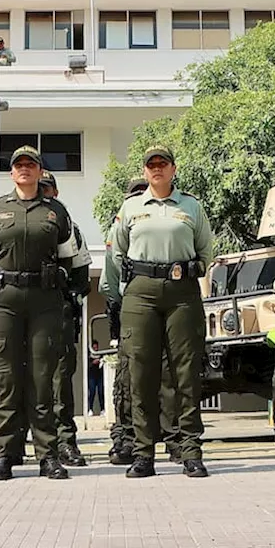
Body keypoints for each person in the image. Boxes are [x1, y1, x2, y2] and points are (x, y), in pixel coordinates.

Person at [0, 145, 77, 481]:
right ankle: (4, 454)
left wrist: (60, 281)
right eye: (18, 165)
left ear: (38, 171)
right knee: (7, 379)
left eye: (30, 165)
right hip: (4, 300)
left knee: (40, 378)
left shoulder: (56, 212)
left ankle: (47, 455)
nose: (24, 170)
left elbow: (68, 257)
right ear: (11, 172)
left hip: (44, 300)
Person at [111, 145, 214, 478]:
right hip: (140, 292)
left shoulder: (191, 206)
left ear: (173, 169)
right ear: (144, 172)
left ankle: (190, 451)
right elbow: (118, 253)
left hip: (182, 291)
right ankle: (143, 454)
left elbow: (205, 251)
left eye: (163, 164)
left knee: (185, 373)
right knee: (140, 374)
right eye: (151, 165)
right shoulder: (130, 208)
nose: (157, 169)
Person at [103, 177, 182, 465]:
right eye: (136, 195)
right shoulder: (122, 225)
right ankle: (127, 439)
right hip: (132, 309)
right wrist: (118, 310)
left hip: (167, 304)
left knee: (170, 375)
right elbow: (111, 276)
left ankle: (175, 440)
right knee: (129, 378)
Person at [38, 170, 92, 467]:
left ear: (55, 193)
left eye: (48, 189)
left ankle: (65, 441)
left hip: (58, 310)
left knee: (60, 379)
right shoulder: (21, 222)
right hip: (27, 310)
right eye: (40, 189)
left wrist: (71, 296)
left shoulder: (70, 226)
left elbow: (82, 270)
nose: (44, 193)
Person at [87, 340, 105, 415]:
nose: (95, 348)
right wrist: (92, 363)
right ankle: (90, 409)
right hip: (92, 376)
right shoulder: (88, 356)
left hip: (100, 376)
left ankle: (102, 409)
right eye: (94, 347)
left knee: (101, 392)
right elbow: (87, 366)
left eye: (96, 347)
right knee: (92, 392)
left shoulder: (101, 355)